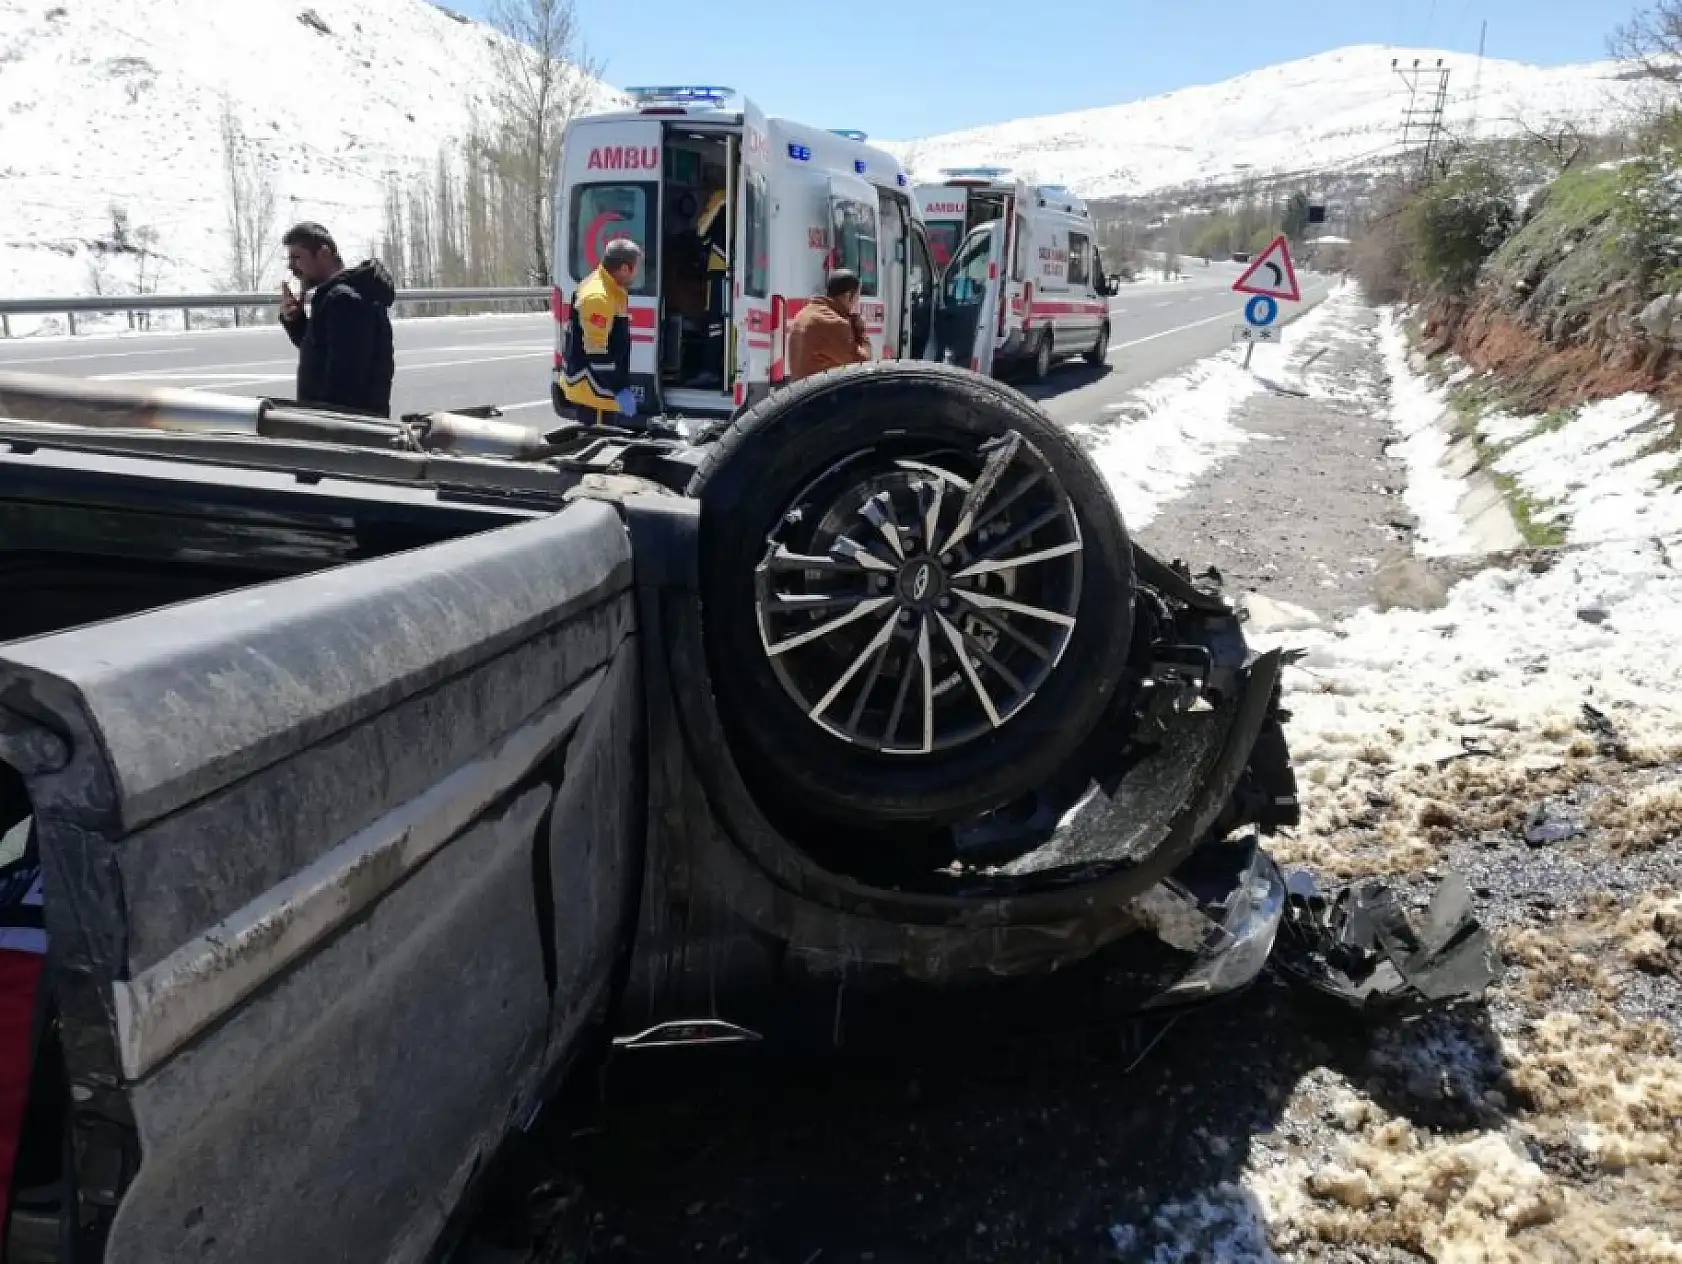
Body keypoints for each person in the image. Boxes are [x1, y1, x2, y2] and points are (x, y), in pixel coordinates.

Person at [278, 222, 396, 417]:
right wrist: (296, 321)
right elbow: (325, 354)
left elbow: (345, 385)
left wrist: (318, 427)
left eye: (297, 257)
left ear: (324, 253)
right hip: (346, 429)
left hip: (348, 432)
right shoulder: (337, 297)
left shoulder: (343, 300)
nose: (291, 267)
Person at [560, 237, 643, 427]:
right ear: (624, 268)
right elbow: (597, 354)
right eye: (636, 268)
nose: (637, 273)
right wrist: (620, 388)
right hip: (594, 390)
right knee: (599, 447)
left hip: (601, 388)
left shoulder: (612, 289)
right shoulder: (598, 296)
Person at [785, 269, 872, 382]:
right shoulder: (835, 323)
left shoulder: (803, 314)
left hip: (800, 392)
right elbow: (862, 364)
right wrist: (861, 331)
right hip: (820, 394)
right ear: (848, 296)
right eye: (857, 297)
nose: (857, 303)